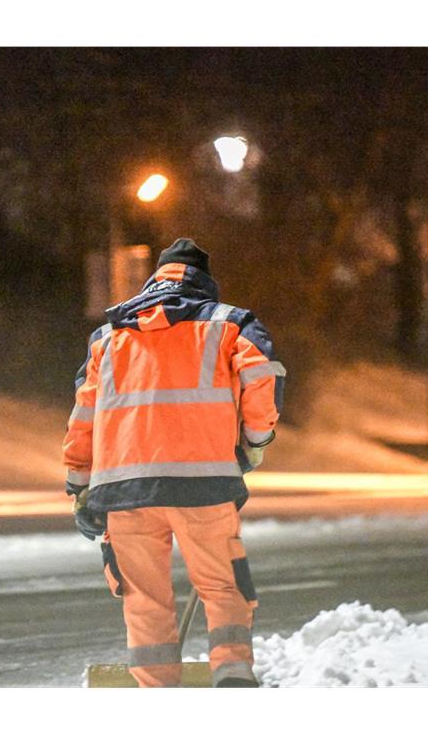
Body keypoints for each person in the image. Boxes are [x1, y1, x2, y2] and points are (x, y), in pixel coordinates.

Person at [62, 238, 285, 687]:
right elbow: (261, 376)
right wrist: (255, 440)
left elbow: (83, 416)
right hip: (204, 484)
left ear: (154, 280)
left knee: (144, 599)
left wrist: (79, 485)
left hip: (123, 490)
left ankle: (155, 693)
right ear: (206, 283)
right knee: (224, 584)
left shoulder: (109, 336)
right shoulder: (229, 324)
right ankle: (234, 674)